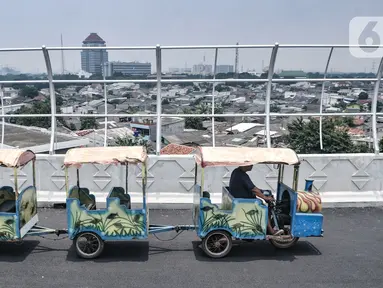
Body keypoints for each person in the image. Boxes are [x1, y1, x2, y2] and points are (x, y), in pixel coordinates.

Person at [229, 165, 284, 236]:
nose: (252, 165)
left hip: (241, 200)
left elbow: (252, 187)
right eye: (250, 164)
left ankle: (266, 226)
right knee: (264, 208)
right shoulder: (242, 175)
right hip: (244, 203)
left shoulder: (236, 171)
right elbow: (253, 189)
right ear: (245, 165)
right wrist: (265, 197)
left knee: (263, 201)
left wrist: (261, 191)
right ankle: (271, 230)